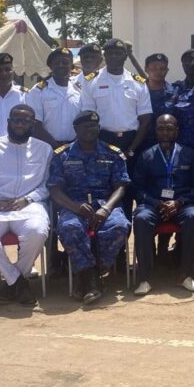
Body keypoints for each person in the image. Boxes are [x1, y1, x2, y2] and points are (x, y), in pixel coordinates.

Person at [0, 104, 52, 307]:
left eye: (25, 121)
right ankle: (18, 282)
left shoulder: (44, 149)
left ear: (33, 124)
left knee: (37, 230)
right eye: (16, 120)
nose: (20, 124)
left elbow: (47, 184)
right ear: (8, 122)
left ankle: (11, 282)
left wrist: (28, 199)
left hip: (28, 206)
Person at [47, 110, 131, 305]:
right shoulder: (62, 154)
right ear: (76, 129)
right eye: (86, 127)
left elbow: (121, 186)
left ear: (99, 128)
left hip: (104, 204)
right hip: (73, 204)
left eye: (94, 126)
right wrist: (74, 207)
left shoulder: (113, 153)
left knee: (119, 226)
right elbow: (54, 189)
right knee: (70, 227)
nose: (90, 130)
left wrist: (106, 209)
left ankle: (87, 274)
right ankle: (91, 279)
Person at [132, 114, 194, 294]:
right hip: (153, 204)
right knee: (141, 219)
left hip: (182, 203)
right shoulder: (146, 156)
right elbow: (137, 189)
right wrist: (155, 203)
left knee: (193, 217)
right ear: (155, 131)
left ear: (177, 131)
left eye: (169, 129)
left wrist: (179, 202)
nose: (165, 133)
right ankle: (144, 278)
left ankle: (185, 275)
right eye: (161, 129)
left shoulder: (189, 154)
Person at [79, 38, 153, 163]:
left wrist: (131, 149)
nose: (114, 56)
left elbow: (145, 120)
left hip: (131, 140)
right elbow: (88, 117)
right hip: (102, 139)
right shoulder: (91, 82)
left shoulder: (138, 83)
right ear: (105, 56)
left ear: (125, 56)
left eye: (118, 53)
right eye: (110, 53)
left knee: (130, 175)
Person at [25, 46, 80, 149]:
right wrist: (57, 147)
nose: (61, 65)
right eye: (57, 62)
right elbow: (35, 124)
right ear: (50, 66)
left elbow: (83, 121)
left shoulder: (79, 90)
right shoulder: (38, 91)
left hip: (74, 148)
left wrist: (73, 146)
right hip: (46, 147)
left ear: (72, 66)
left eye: (65, 62)